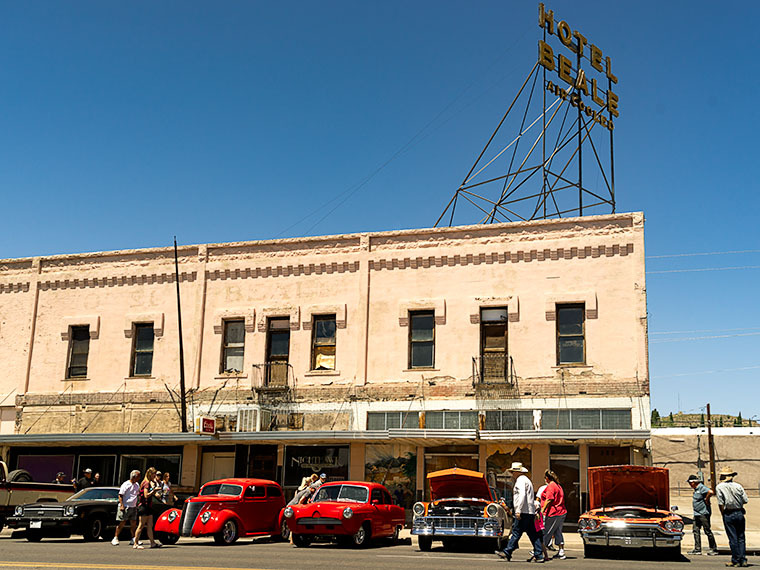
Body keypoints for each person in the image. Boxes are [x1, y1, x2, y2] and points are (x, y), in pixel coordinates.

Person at [496, 462, 544, 563]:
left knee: (516, 532)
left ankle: (508, 551)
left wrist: (518, 510)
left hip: (523, 511)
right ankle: (539, 554)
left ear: (517, 472)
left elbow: (522, 495)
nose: (512, 474)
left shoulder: (520, 481)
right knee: (532, 534)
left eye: (513, 472)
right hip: (528, 511)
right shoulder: (526, 480)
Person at [716, 466, 748, 568]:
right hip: (739, 512)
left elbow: (721, 503)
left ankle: (736, 560)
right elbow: (745, 500)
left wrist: (723, 514)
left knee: (733, 538)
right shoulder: (738, 486)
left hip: (728, 513)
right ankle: (743, 559)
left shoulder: (719, 487)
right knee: (741, 537)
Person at [686, 474, 718, 556]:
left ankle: (713, 549)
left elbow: (711, 492)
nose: (690, 485)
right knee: (696, 530)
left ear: (694, 482)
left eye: (690, 483)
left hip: (703, 514)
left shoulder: (701, 487)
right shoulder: (696, 489)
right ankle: (697, 549)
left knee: (707, 531)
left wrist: (707, 499)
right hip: (697, 513)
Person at [540, 470, 567, 560]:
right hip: (561, 512)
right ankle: (561, 551)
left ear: (547, 478)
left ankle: (539, 550)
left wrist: (542, 510)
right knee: (557, 531)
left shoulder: (551, 486)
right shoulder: (558, 486)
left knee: (547, 532)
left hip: (553, 512)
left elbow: (549, 499)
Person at [133, 467, 162, 549]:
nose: (155, 476)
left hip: (148, 506)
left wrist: (154, 490)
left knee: (150, 525)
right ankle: (135, 543)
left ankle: (152, 542)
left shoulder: (149, 482)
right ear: (150, 474)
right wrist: (153, 491)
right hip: (143, 506)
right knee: (141, 525)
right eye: (154, 474)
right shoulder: (146, 483)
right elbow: (146, 495)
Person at [112, 470, 141, 546]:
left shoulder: (137, 484)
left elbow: (137, 494)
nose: (139, 478)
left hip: (133, 506)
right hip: (126, 506)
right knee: (122, 522)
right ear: (134, 477)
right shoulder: (126, 484)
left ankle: (133, 538)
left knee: (133, 523)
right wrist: (122, 505)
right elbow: (120, 495)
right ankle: (115, 537)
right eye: (138, 476)